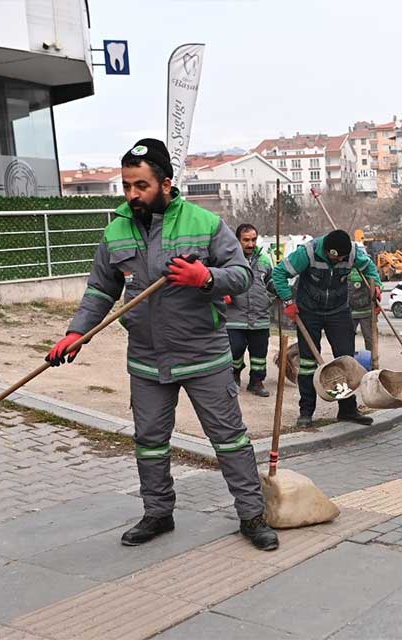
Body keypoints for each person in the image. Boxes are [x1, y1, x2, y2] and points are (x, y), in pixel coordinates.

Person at [45, 139, 278, 550]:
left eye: (141, 185)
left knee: (229, 439)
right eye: (126, 185)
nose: (132, 194)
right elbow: (100, 290)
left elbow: (242, 275)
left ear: (166, 183)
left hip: (203, 356)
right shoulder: (116, 229)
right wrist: (75, 332)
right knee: (149, 441)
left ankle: (252, 515)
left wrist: (205, 277)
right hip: (148, 361)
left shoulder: (204, 224)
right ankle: (157, 513)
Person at [274, 229, 381, 428]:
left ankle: (347, 410)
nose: (341, 260)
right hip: (308, 311)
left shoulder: (353, 253)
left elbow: (370, 269)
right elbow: (279, 272)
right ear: (329, 252)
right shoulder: (308, 252)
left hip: (338, 310)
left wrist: (377, 287)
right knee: (307, 363)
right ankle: (306, 411)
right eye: (337, 257)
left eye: (343, 257)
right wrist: (288, 301)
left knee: (345, 360)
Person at [224, 223, 272, 398]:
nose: (250, 244)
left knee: (259, 354)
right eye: (246, 240)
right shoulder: (229, 260)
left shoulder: (265, 260)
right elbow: (221, 282)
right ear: (238, 240)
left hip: (260, 317)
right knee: (235, 349)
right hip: (235, 316)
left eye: (253, 239)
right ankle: (234, 375)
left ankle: (256, 382)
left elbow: (270, 282)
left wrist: (278, 293)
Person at [348, 265, 376, 353]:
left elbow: (376, 283)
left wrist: (377, 290)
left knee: (368, 337)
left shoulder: (367, 269)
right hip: (351, 311)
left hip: (366, 311)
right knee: (348, 337)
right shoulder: (346, 268)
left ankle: (371, 358)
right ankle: (349, 356)